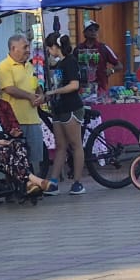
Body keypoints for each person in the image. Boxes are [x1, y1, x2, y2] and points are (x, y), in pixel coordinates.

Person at [0, 73, 51, 196]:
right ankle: (35, 180)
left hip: (9, 140)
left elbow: (13, 122)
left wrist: (14, 131)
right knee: (7, 151)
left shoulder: (3, 105)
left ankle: (28, 183)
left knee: (19, 147)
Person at [0, 32, 48, 178]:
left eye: (28, 46)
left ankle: (34, 185)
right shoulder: (4, 66)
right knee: (16, 157)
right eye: (25, 47)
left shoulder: (29, 65)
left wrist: (40, 94)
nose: (28, 50)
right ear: (14, 48)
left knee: (35, 156)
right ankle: (17, 187)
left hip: (32, 118)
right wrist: (30, 96)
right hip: (14, 120)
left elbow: (36, 85)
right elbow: (9, 88)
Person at [44, 33, 87, 195]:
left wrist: (55, 91)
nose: (49, 50)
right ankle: (54, 181)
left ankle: (77, 182)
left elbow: (74, 85)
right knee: (60, 146)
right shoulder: (59, 63)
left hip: (71, 107)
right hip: (59, 108)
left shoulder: (70, 62)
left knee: (76, 145)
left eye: (50, 47)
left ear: (56, 47)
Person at [76, 21, 119, 101]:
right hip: (82, 90)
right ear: (84, 33)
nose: (94, 32)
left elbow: (119, 65)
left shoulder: (103, 48)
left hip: (100, 89)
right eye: (90, 30)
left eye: (95, 30)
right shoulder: (78, 49)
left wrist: (111, 70)